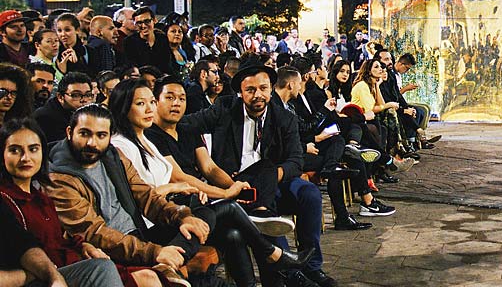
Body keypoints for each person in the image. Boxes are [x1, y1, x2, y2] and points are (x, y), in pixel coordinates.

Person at [112, 78, 312, 287]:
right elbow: (165, 184)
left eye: (151, 102)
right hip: (160, 217)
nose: (175, 104)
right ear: (124, 106)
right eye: (141, 103)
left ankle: (264, 254)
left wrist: (232, 187)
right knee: (227, 208)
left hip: (183, 205)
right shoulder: (132, 143)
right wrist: (221, 193)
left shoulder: (150, 138)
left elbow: (209, 168)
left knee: (234, 230)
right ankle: (270, 246)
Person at [180, 61, 337, 287]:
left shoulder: (284, 117)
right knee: (266, 210)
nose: (258, 95)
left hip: (274, 180)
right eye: (250, 90)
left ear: (271, 89)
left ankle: (312, 267)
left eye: (263, 88)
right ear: (240, 93)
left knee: (310, 194)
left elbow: (295, 161)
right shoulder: (224, 108)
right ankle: (291, 274)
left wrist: (273, 176)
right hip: (234, 182)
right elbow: (187, 124)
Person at [48, 104, 212, 287]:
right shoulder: (58, 177)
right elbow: (94, 233)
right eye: (84, 133)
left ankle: (166, 266)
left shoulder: (113, 155)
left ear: (110, 136)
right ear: (70, 132)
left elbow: (145, 195)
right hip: (111, 250)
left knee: (201, 217)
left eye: (101, 135)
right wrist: (154, 252)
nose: (92, 143)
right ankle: (168, 266)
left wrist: (181, 216)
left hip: (139, 233)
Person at [0, 118, 131, 287]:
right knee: (101, 269)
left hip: (64, 266)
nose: (26, 158)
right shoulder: (5, 199)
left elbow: (60, 238)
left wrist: (83, 245)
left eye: (33, 149)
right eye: (15, 150)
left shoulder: (41, 197)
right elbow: (21, 246)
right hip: (38, 277)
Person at [274, 67, 388, 226]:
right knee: (339, 161)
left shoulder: (288, 103)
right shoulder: (278, 106)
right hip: (292, 155)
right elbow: (280, 141)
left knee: (339, 143)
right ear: (291, 85)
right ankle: (352, 210)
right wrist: (305, 145)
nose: (300, 86)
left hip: (304, 146)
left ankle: (358, 203)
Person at [34, 72, 95, 144]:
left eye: (88, 95)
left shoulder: (86, 114)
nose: (84, 100)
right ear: (60, 97)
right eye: (76, 95)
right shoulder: (45, 117)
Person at [123, 8, 171, 75]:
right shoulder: (129, 42)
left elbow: (167, 64)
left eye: (147, 21)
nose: (143, 26)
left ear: (154, 20)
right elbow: (131, 65)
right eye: (139, 23)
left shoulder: (162, 38)